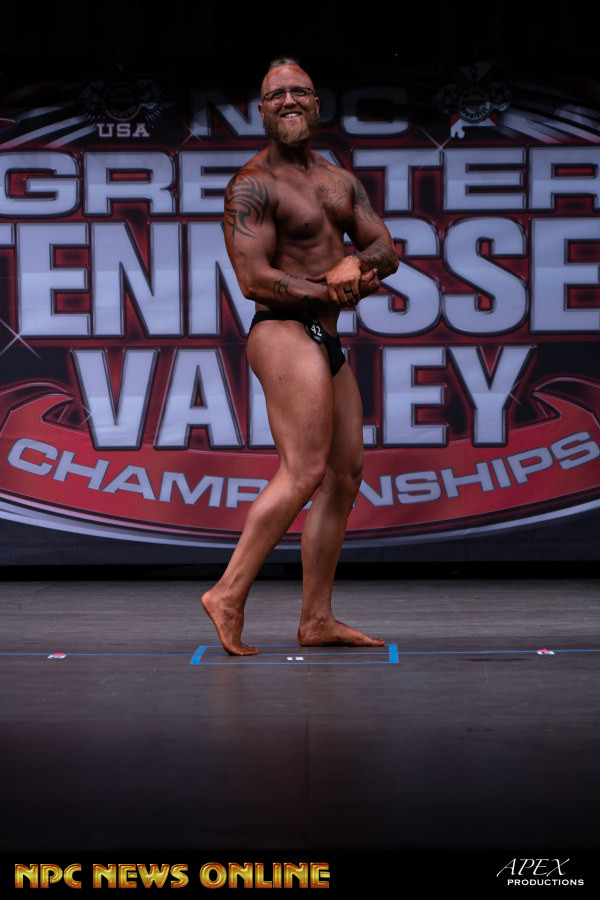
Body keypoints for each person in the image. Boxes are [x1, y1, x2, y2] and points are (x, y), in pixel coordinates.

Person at [201, 57, 399, 655]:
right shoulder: (252, 185)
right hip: (283, 330)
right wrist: (331, 289)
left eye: (300, 91)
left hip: (324, 336)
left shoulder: (339, 181)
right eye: (276, 95)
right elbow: (253, 279)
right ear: (261, 110)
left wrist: (355, 262)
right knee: (304, 470)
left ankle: (317, 619)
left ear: (317, 103)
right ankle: (227, 593)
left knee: (344, 475)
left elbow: (385, 248)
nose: (289, 100)